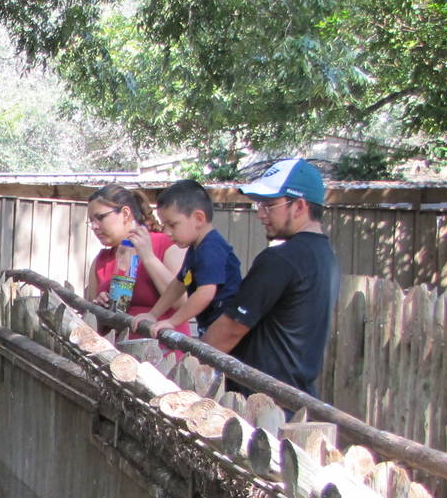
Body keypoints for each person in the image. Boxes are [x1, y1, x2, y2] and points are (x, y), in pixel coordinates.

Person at [202, 158, 340, 396]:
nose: (261, 214)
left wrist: (191, 363)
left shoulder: (281, 258)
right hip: (297, 396)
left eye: (269, 205)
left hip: (261, 400)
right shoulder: (327, 257)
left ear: (299, 206)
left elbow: (231, 329)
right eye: (260, 205)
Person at [137, 179, 242, 337]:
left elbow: (205, 293)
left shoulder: (211, 248)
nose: (167, 232)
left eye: (173, 225)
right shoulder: (195, 248)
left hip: (226, 331)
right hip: (211, 327)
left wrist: (173, 321)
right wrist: (153, 314)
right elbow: (179, 284)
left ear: (198, 219)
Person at [83, 184, 187, 337]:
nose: (94, 226)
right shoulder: (101, 261)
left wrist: (148, 257)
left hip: (164, 353)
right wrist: (99, 307)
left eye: (100, 217)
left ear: (125, 214)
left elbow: (182, 302)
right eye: (91, 221)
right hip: (116, 355)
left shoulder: (167, 244)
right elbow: (90, 321)